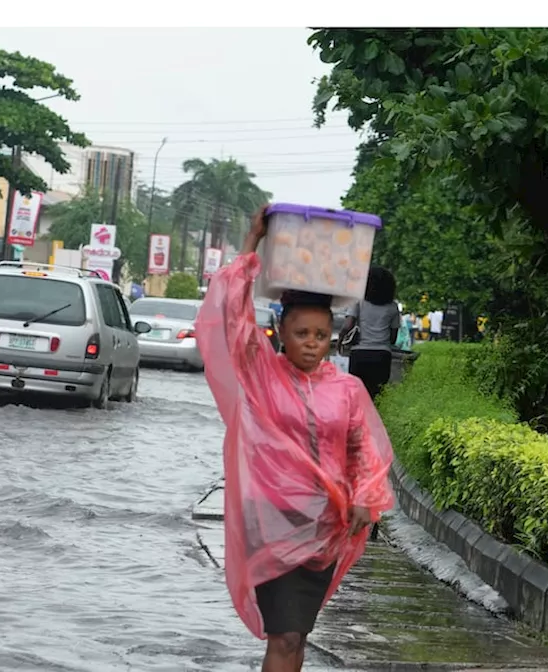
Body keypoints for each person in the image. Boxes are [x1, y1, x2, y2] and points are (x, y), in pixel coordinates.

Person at [195, 205, 394, 672]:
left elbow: (362, 447)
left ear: (332, 339)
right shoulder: (262, 374)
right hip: (271, 522)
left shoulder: (347, 389)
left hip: (326, 527)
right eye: (301, 332)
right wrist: (252, 242)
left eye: (321, 335)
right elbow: (231, 316)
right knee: (283, 634)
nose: (311, 342)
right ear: (280, 332)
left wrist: (366, 497)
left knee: (298, 634)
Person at [341, 267, 402, 399]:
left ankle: (358, 419)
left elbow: (347, 326)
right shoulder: (393, 307)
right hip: (382, 356)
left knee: (357, 395)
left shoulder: (358, 302)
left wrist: (341, 341)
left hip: (359, 355)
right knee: (377, 396)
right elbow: (393, 338)